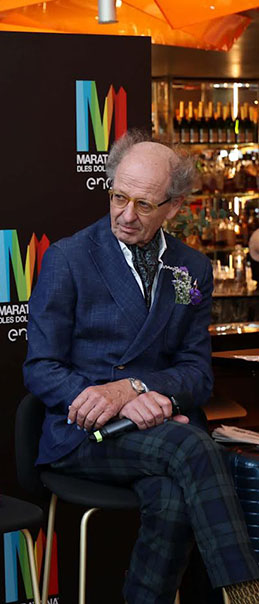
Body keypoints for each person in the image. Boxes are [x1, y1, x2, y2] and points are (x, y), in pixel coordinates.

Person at [24, 130, 259, 604]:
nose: (126, 215)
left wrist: (138, 389)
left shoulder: (190, 269)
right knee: (193, 447)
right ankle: (245, 593)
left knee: (172, 499)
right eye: (119, 197)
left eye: (145, 204)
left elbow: (196, 371)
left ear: (174, 207)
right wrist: (115, 401)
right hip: (87, 433)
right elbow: (42, 368)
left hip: (163, 428)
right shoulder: (70, 258)